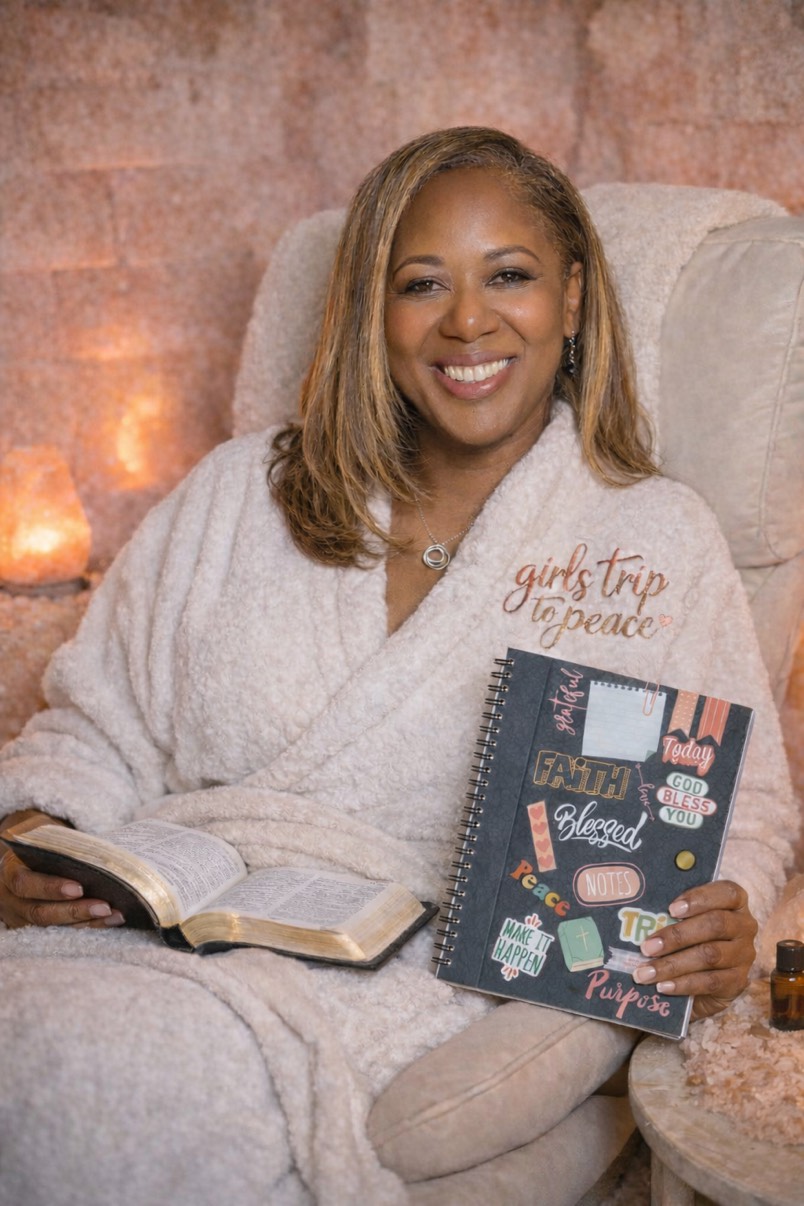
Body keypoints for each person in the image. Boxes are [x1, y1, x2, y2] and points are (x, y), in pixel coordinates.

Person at [0, 128, 794, 1204]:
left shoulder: (651, 538)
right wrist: (30, 838)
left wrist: (721, 912)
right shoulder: (240, 494)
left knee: (95, 1084)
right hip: (145, 927)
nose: (468, 322)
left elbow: (735, 807)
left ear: (570, 296)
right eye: (423, 284)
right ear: (375, 313)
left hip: (410, 977)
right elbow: (92, 727)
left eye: (507, 275)